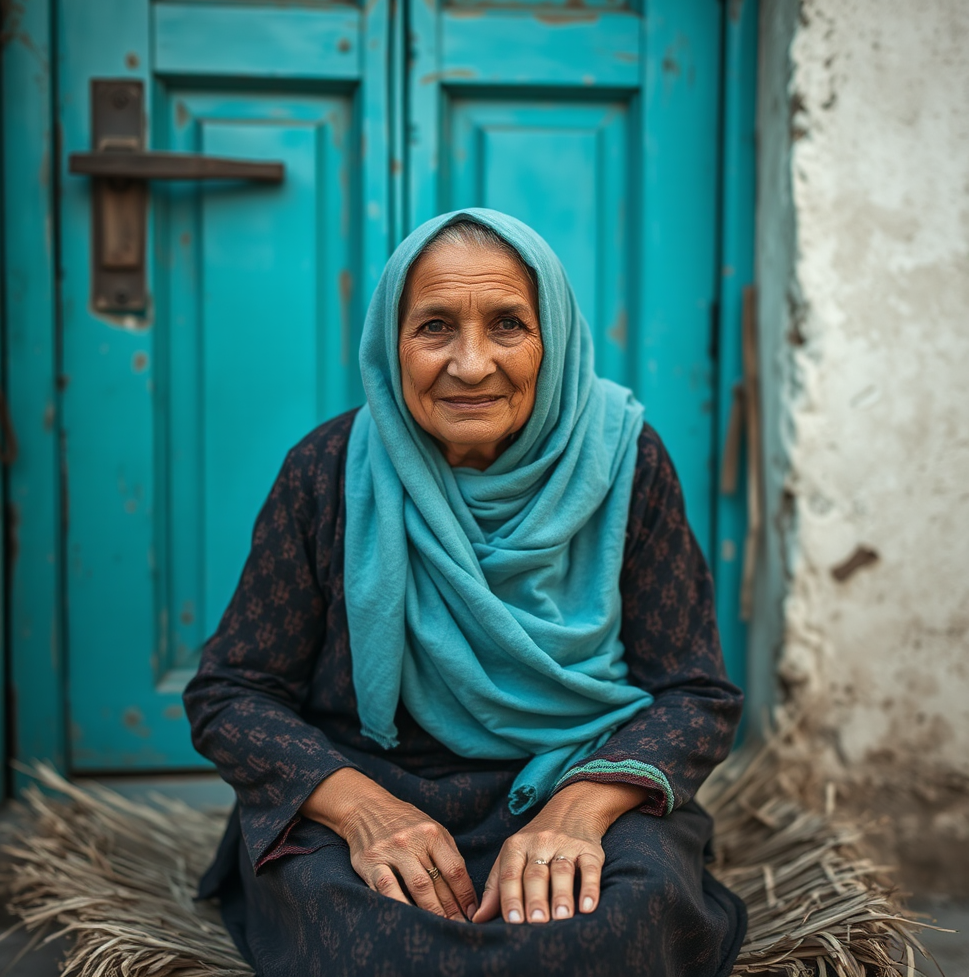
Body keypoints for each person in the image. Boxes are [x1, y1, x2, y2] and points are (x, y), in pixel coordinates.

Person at [184, 208, 746, 977]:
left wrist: (578, 812)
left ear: (553, 337)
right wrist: (364, 812)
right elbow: (230, 692)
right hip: (372, 787)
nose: (473, 364)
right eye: (435, 327)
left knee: (615, 928)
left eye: (509, 324)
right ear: (392, 340)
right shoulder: (327, 472)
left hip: (580, 776)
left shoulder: (623, 461)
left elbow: (695, 691)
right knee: (374, 943)